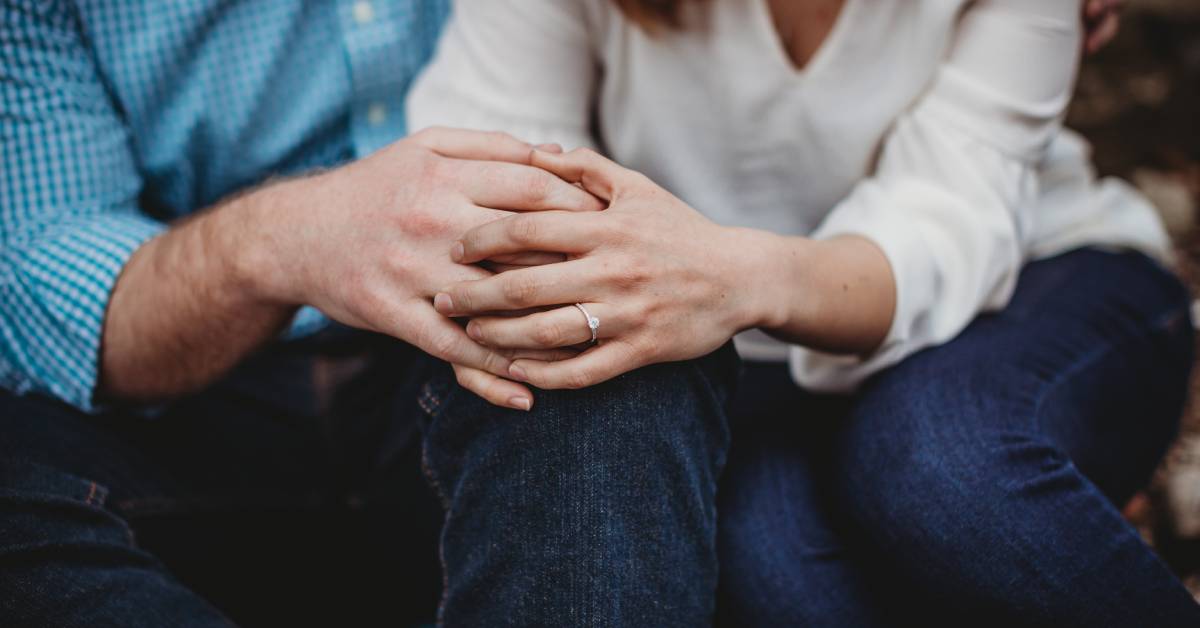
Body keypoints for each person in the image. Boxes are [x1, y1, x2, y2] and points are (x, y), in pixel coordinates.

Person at [406, 0, 1200, 625]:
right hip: (750, 352)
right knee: (775, 571)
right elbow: (494, 176)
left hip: (1038, 280)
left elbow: (944, 223)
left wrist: (737, 275)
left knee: (941, 465)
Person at [0, 1, 739, 626]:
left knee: (616, 371)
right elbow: (42, 276)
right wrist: (279, 240)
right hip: (181, 397)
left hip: (458, 349)